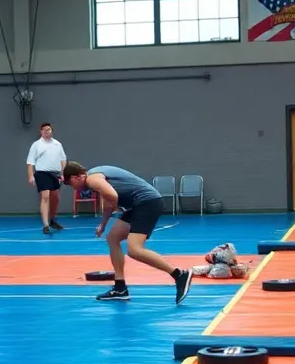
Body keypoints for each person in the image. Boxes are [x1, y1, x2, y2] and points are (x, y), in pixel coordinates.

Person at [61, 161, 192, 304]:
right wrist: (103, 224)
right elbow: (108, 201)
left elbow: (111, 195)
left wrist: (117, 207)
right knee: (113, 238)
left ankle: (179, 275)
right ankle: (120, 288)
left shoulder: (92, 179)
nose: (74, 188)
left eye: (70, 184)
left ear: (76, 177)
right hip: (138, 205)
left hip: (147, 203)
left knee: (134, 250)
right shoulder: (96, 175)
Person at [26, 122, 67, 235]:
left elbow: (63, 159)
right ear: (41, 132)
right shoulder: (36, 145)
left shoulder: (57, 144)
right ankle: (45, 225)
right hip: (42, 173)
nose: (47, 132)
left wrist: (63, 173)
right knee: (45, 196)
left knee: (55, 197)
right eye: (44, 130)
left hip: (55, 174)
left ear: (51, 131)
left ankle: (52, 219)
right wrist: (30, 176)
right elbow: (30, 162)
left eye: (48, 129)